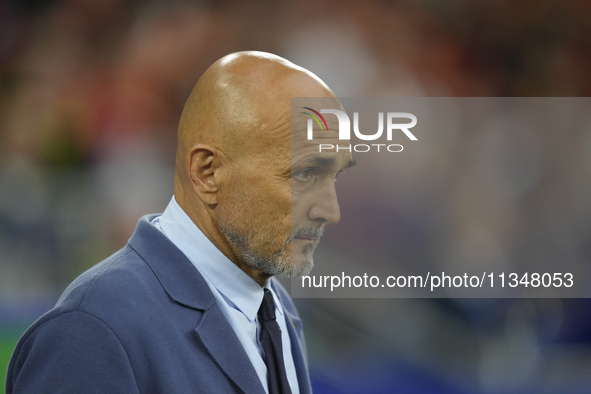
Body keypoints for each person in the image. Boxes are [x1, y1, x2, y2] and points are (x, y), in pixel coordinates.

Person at [6, 51, 356, 393]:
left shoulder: (278, 311)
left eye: (335, 177)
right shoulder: (92, 329)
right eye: (306, 174)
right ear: (208, 173)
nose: (331, 210)